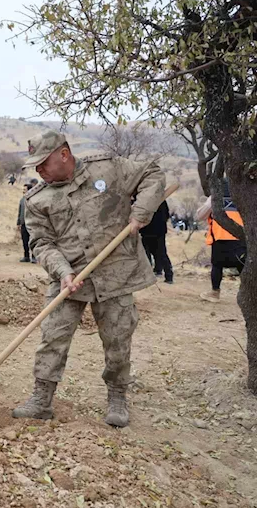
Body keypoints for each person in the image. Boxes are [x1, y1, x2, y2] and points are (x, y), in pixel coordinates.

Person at [13, 130, 164, 428]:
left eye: (43, 163)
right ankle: (42, 399)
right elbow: (41, 244)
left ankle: (117, 397)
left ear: (64, 154)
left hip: (115, 274)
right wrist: (63, 272)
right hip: (69, 277)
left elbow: (152, 172)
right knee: (52, 336)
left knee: (118, 339)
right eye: (35, 166)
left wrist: (141, 211)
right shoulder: (37, 199)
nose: (39, 171)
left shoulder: (108, 168)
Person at [196, 184, 246, 302]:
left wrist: (212, 201)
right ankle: (250, 294)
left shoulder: (216, 197)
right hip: (241, 238)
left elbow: (200, 216)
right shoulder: (245, 196)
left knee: (217, 266)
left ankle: (215, 293)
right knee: (243, 267)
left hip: (221, 238)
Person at [139, 200, 173, 284]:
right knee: (161, 253)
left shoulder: (143, 199)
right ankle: (167, 275)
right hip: (159, 230)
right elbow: (167, 215)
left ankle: (149, 275)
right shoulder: (161, 200)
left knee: (148, 253)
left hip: (147, 230)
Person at [17, 182, 35, 262]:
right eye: (23, 189)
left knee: (33, 241)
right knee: (25, 241)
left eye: (25, 189)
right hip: (23, 224)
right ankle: (26, 257)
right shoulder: (22, 200)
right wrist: (18, 223)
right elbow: (19, 212)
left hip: (32, 224)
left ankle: (34, 257)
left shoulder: (34, 199)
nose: (23, 191)